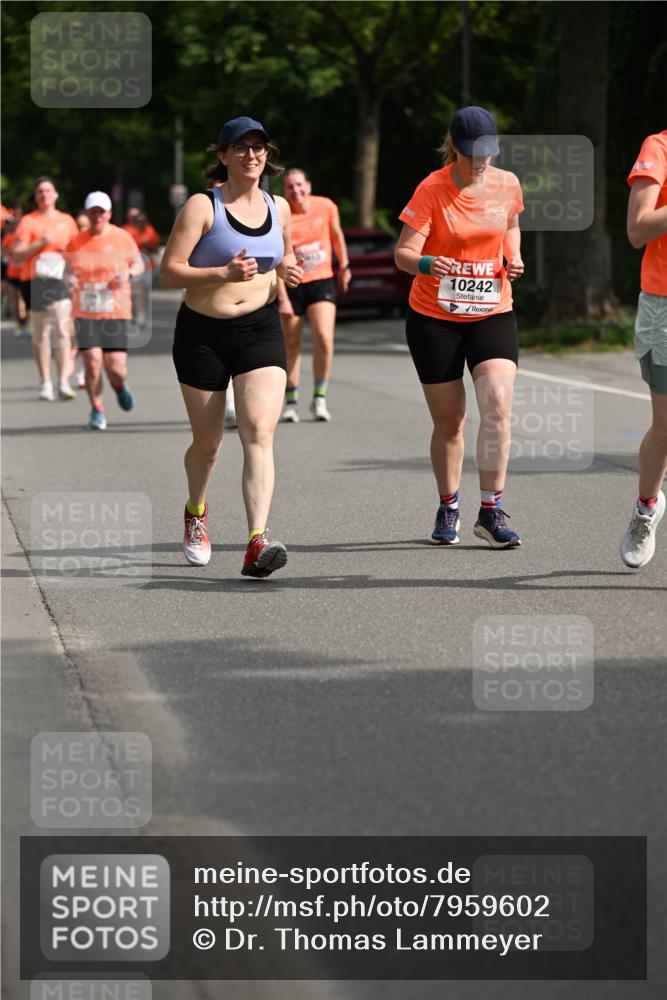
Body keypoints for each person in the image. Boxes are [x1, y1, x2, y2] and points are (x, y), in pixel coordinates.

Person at [160, 116, 304, 577]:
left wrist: (288, 271)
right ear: (222, 156)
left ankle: (255, 542)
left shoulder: (277, 207)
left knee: (259, 431)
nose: (251, 155)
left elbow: (284, 254)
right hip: (203, 334)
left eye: (258, 147)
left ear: (268, 155)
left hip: (259, 330)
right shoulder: (203, 207)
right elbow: (168, 271)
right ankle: (196, 512)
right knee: (208, 445)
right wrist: (221, 274)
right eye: (239, 148)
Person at [394, 106, 525, 549]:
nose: (480, 161)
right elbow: (404, 254)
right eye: (471, 154)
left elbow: (510, 225)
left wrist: (514, 256)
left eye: (486, 152)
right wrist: (430, 263)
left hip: (491, 308)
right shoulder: (432, 189)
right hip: (435, 316)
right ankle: (449, 503)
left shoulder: (507, 183)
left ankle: (491, 510)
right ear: (453, 147)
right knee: (451, 421)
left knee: (498, 403)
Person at [620, 129, 667, 568]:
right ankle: (646, 507)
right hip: (664, 305)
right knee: (666, 426)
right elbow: (638, 230)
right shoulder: (659, 147)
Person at [64, 191, 144, 430]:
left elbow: (139, 263)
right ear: (87, 214)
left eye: (102, 211)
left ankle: (119, 386)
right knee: (91, 361)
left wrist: (128, 273)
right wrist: (68, 278)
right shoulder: (75, 241)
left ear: (109, 213)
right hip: (85, 311)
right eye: (93, 212)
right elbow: (66, 269)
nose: (97, 216)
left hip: (115, 311)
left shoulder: (123, 238)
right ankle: (97, 409)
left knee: (116, 367)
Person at [277, 168, 351, 423]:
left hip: (321, 280)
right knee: (291, 344)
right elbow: (277, 258)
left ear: (308, 185)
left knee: (324, 337)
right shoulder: (281, 214)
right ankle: (291, 400)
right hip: (292, 284)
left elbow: (337, 236)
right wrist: (282, 298)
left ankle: (319, 398)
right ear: (284, 191)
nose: (296, 191)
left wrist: (345, 266)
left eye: (299, 185)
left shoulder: (326, 206)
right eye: (290, 187)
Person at [11, 177, 78, 400]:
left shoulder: (67, 220)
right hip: (34, 280)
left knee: (61, 327)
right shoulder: (29, 221)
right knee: (41, 332)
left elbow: (78, 251)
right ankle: (45, 381)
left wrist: (75, 271)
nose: (44, 195)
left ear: (56, 194)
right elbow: (17, 254)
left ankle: (63, 381)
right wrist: (39, 244)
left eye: (48, 190)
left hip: (59, 280)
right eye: (40, 191)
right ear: (35, 196)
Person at [122, 208, 160, 329]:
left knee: (143, 292)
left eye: (143, 221)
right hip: (133, 266)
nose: (141, 223)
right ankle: (135, 314)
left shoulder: (150, 230)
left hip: (148, 266)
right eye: (138, 220)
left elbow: (156, 248)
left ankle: (141, 315)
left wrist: (148, 246)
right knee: (134, 292)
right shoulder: (127, 230)